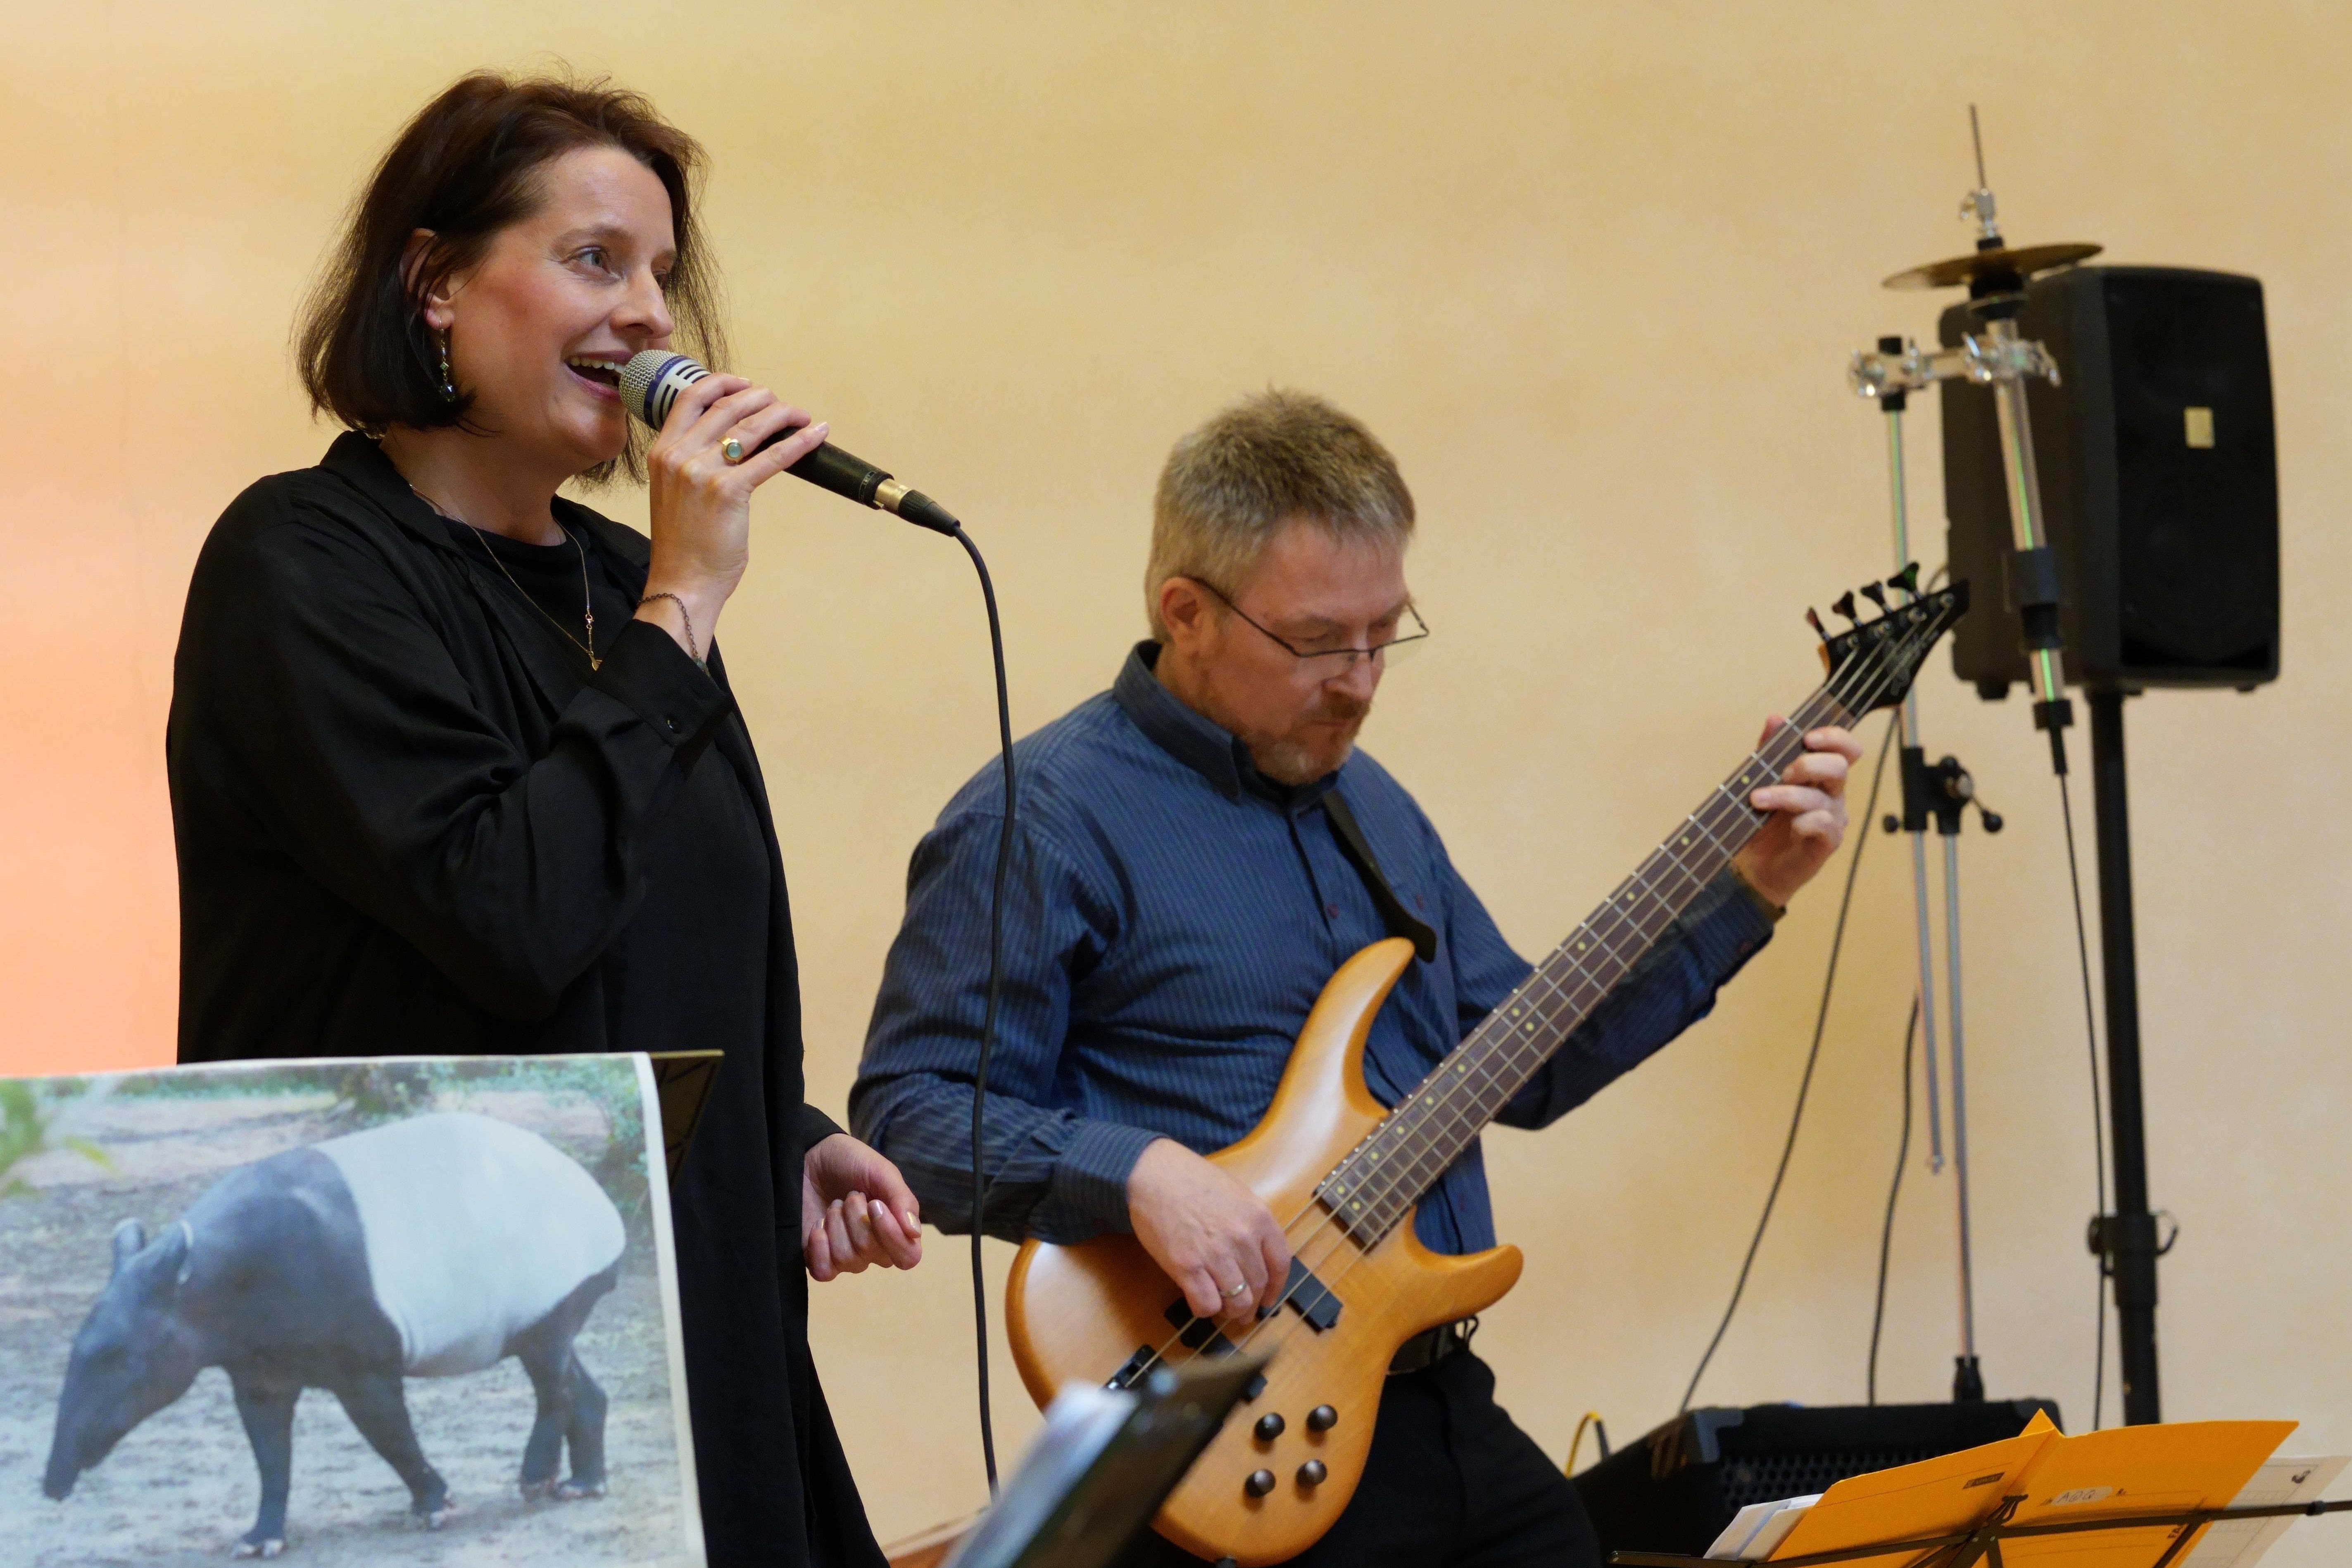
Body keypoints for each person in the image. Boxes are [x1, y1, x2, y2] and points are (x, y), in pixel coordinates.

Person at [851, 390, 1863, 1566]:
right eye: (1321, 640)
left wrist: (1751, 890)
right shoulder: (1040, 819)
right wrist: (1137, 1172)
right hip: (1229, 1422)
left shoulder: (1374, 806)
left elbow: (1529, 1065)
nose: (1363, 680)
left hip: (1435, 1399)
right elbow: (913, 1116)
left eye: (1387, 632)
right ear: (1186, 611)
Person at [169, 72, 918, 1568]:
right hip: (431, 1323)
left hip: (691, 1309)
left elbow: (668, 934)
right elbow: (513, 918)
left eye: (661, 273)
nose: (648, 314)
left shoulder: (620, 579)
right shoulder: (302, 563)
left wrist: (776, 1136)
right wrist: (684, 604)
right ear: (434, 283)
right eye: (594, 259)